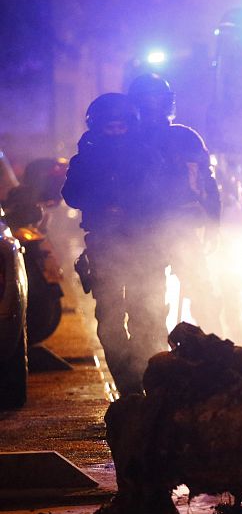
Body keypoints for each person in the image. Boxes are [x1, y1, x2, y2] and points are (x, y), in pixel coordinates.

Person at [61, 93, 168, 396]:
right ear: (97, 127)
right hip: (105, 247)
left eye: (121, 127)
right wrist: (104, 196)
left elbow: (162, 199)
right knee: (110, 322)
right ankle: (130, 389)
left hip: (145, 247)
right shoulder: (86, 159)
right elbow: (72, 194)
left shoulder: (148, 156)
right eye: (110, 128)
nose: (116, 133)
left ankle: (152, 387)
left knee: (148, 319)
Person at [127, 73, 222, 333]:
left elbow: (206, 181)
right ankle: (149, 359)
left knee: (202, 294)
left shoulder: (184, 138)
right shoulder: (127, 142)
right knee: (148, 306)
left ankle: (216, 350)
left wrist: (213, 222)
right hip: (143, 232)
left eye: (157, 100)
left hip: (180, 228)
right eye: (147, 101)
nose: (152, 107)